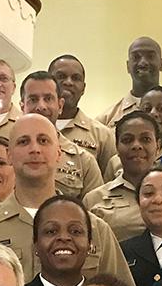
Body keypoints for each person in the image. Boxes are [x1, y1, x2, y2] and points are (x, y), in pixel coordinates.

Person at [0, 113, 136, 286]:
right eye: (23, 142)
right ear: (9, 155)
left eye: (43, 141)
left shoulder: (96, 230)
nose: (34, 149)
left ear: (58, 153)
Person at [86, 112, 162, 243]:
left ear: (158, 146)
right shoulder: (94, 199)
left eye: (145, 139)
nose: (136, 145)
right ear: (117, 148)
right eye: (127, 140)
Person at [19, 70, 104, 200]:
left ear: (60, 105)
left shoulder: (84, 161)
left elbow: (95, 212)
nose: (41, 106)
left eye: (48, 99)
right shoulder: (4, 153)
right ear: (22, 106)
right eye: (33, 99)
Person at [49, 54, 117, 175]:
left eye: (76, 78)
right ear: (49, 82)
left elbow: (107, 187)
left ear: (83, 88)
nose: (68, 82)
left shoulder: (102, 136)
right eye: (61, 76)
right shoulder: (27, 127)